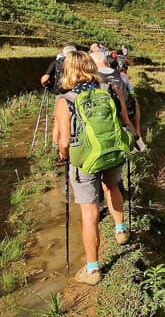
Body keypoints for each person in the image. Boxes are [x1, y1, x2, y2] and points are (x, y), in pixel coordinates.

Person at [56, 51, 134, 285]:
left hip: (85, 161)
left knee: (89, 213)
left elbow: (64, 142)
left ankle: (92, 269)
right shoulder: (111, 90)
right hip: (111, 152)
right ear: (91, 67)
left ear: (68, 71)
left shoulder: (66, 101)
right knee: (112, 186)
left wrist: (64, 157)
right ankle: (120, 230)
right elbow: (123, 120)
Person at [41, 44, 76, 148]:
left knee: (58, 119)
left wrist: (47, 85)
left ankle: (56, 145)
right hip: (75, 93)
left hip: (60, 94)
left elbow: (44, 79)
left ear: (63, 53)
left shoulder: (56, 63)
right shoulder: (77, 62)